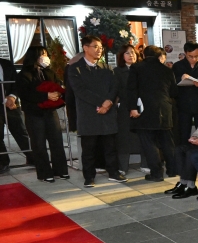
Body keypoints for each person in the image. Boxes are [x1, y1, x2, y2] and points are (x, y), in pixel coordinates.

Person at [68, 35, 124, 187]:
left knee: (110, 146)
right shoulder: (75, 69)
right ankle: (89, 177)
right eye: (96, 47)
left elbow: (114, 87)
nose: (99, 50)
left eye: (101, 47)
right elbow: (80, 91)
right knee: (89, 149)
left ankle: (113, 172)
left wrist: (109, 102)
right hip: (88, 113)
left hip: (108, 112)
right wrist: (101, 103)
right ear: (86, 48)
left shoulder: (107, 68)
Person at [15, 46, 68, 182]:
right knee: (39, 144)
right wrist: (46, 95)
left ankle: (60, 170)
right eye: (42, 54)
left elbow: (57, 84)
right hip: (34, 113)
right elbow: (25, 94)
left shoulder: (48, 72)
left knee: (56, 141)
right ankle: (45, 173)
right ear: (35, 56)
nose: (45, 57)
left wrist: (57, 93)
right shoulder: (24, 74)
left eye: (46, 54)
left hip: (50, 111)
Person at [127, 46, 178, 182]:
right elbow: (174, 92)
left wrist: (133, 108)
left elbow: (131, 89)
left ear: (143, 55)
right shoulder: (167, 69)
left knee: (149, 142)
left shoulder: (136, 68)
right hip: (165, 109)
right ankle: (172, 170)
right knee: (167, 141)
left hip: (146, 109)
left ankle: (156, 173)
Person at [172, 42, 198, 143]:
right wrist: (180, 79)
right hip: (183, 104)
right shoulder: (177, 66)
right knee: (183, 132)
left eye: (196, 56)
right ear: (185, 53)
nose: (194, 59)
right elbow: (171, 85)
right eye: (190, 56)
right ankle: (184, 151)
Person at [114, 44, 145, 174]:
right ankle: (122, 166)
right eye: (127, 53)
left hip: (142, 106)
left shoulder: (143, 69)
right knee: (124, 138)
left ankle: (146, 163)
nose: (131, 55)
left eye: (132, 52)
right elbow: (118, 90)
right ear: (122, 56)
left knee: (144, 135)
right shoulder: (117, 71)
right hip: (125, 107)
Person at [0, 55, 33, 173]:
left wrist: (12, 97)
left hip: (12, 105)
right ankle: (3, 163)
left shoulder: (7, 64)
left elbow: (16, 82)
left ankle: (33, 158)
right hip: (4, 102)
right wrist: (4, 100)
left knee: (21, 132)